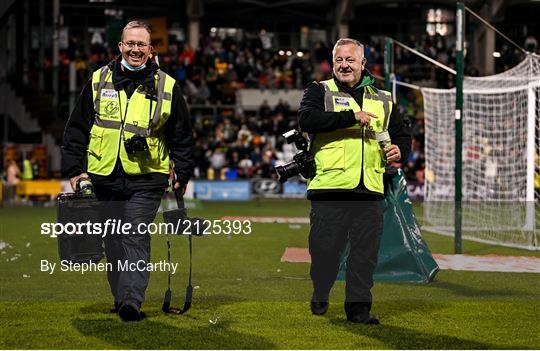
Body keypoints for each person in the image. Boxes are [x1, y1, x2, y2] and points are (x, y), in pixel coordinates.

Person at [61, 21, 194, 321]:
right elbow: (77, 129)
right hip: (104, 176)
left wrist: (181, 174)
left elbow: (182, 137)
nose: (135, 49)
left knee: (135, 234)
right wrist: (74, 170)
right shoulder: (98, 80)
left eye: (141, 45)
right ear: (120, 47)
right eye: (130, 44)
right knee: (113, 240)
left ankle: (131, 301)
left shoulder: (168, 86)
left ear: (150, 49)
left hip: (147, 178)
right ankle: (121, 297)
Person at [298, 38, 411, 324]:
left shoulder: (384, 98)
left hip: (370, 188)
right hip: (329, 188)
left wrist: (401, 149)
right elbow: (308, 120)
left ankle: (358, 310)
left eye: (350, 59)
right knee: (325, 252)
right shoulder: (319, 90)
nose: (344, 65)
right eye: (339, 60)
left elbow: (401, 135)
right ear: (332, 63)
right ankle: (321, 290)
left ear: (363, 64)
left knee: (365, 256)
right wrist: (351, 117)